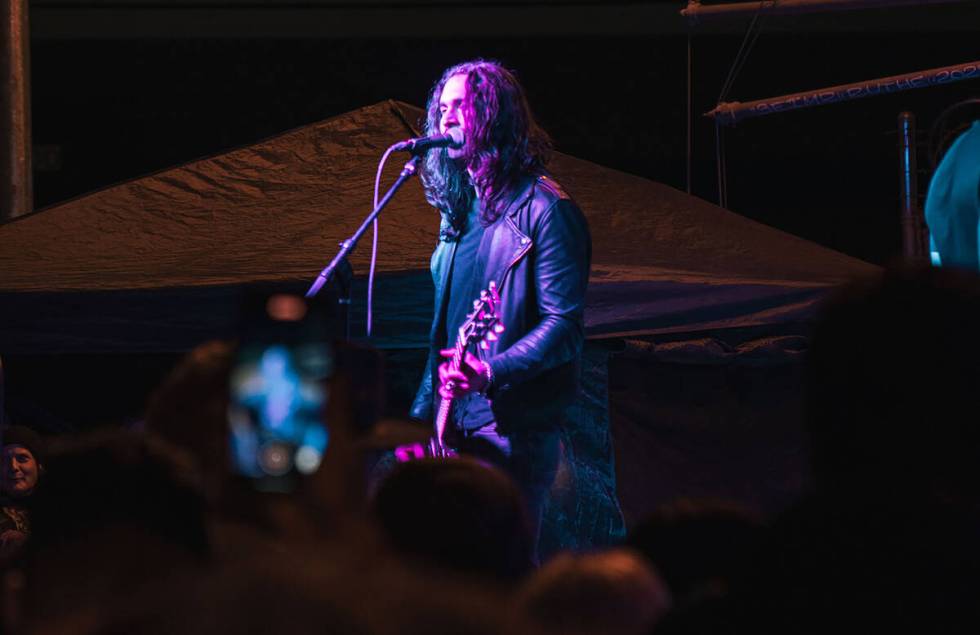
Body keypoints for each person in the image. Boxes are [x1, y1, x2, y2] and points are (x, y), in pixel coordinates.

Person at [409, 59, 592, 554]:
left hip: (513, 429)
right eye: (440, 109)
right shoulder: (456, 218)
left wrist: (489, 372)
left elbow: (564, 326)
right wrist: (417, 423)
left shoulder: (546, 210)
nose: (445, 120)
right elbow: (443, 340)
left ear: (495, 115)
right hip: (453, 430)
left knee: (500, 573)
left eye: (460, 107)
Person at [0, 425, 44, 560]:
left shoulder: (60, 506)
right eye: (3, 461)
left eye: (22, 458)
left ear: (39, 466)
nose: (13, 467)